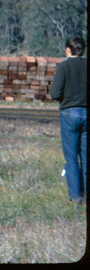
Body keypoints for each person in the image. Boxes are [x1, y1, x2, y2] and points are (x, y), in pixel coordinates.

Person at [50, 37, 87, 204]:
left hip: (69, 114)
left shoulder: (64, 66)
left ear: (68, 50)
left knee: (71, 158)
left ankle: (75, 196)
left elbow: (55, 94)